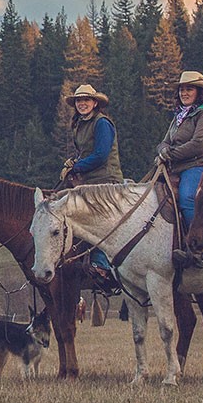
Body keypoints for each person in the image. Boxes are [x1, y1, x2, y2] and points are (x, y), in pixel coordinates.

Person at [59, 83, 123, 289]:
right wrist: (73, 162)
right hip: (88, 181)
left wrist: (77, 167)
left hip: (106, 180)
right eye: (79, 100)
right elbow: (86, 152)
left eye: (86, 100)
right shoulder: (81, 123)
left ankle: (101, 265)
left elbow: (101, 155)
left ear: (95, 103)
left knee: (94, 221)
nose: (82, 103)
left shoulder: (102, 123)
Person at [162, 70, 203, 269]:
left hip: (201, 165)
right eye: (182, 89)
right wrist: (162, 151)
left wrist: (170, 154)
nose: (184, 93)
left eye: (189, 89)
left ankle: (196, 247)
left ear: (200, 92)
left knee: (188, 196)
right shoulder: (179, 117)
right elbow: (165, 142)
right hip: (178, 167)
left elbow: (199, 144)